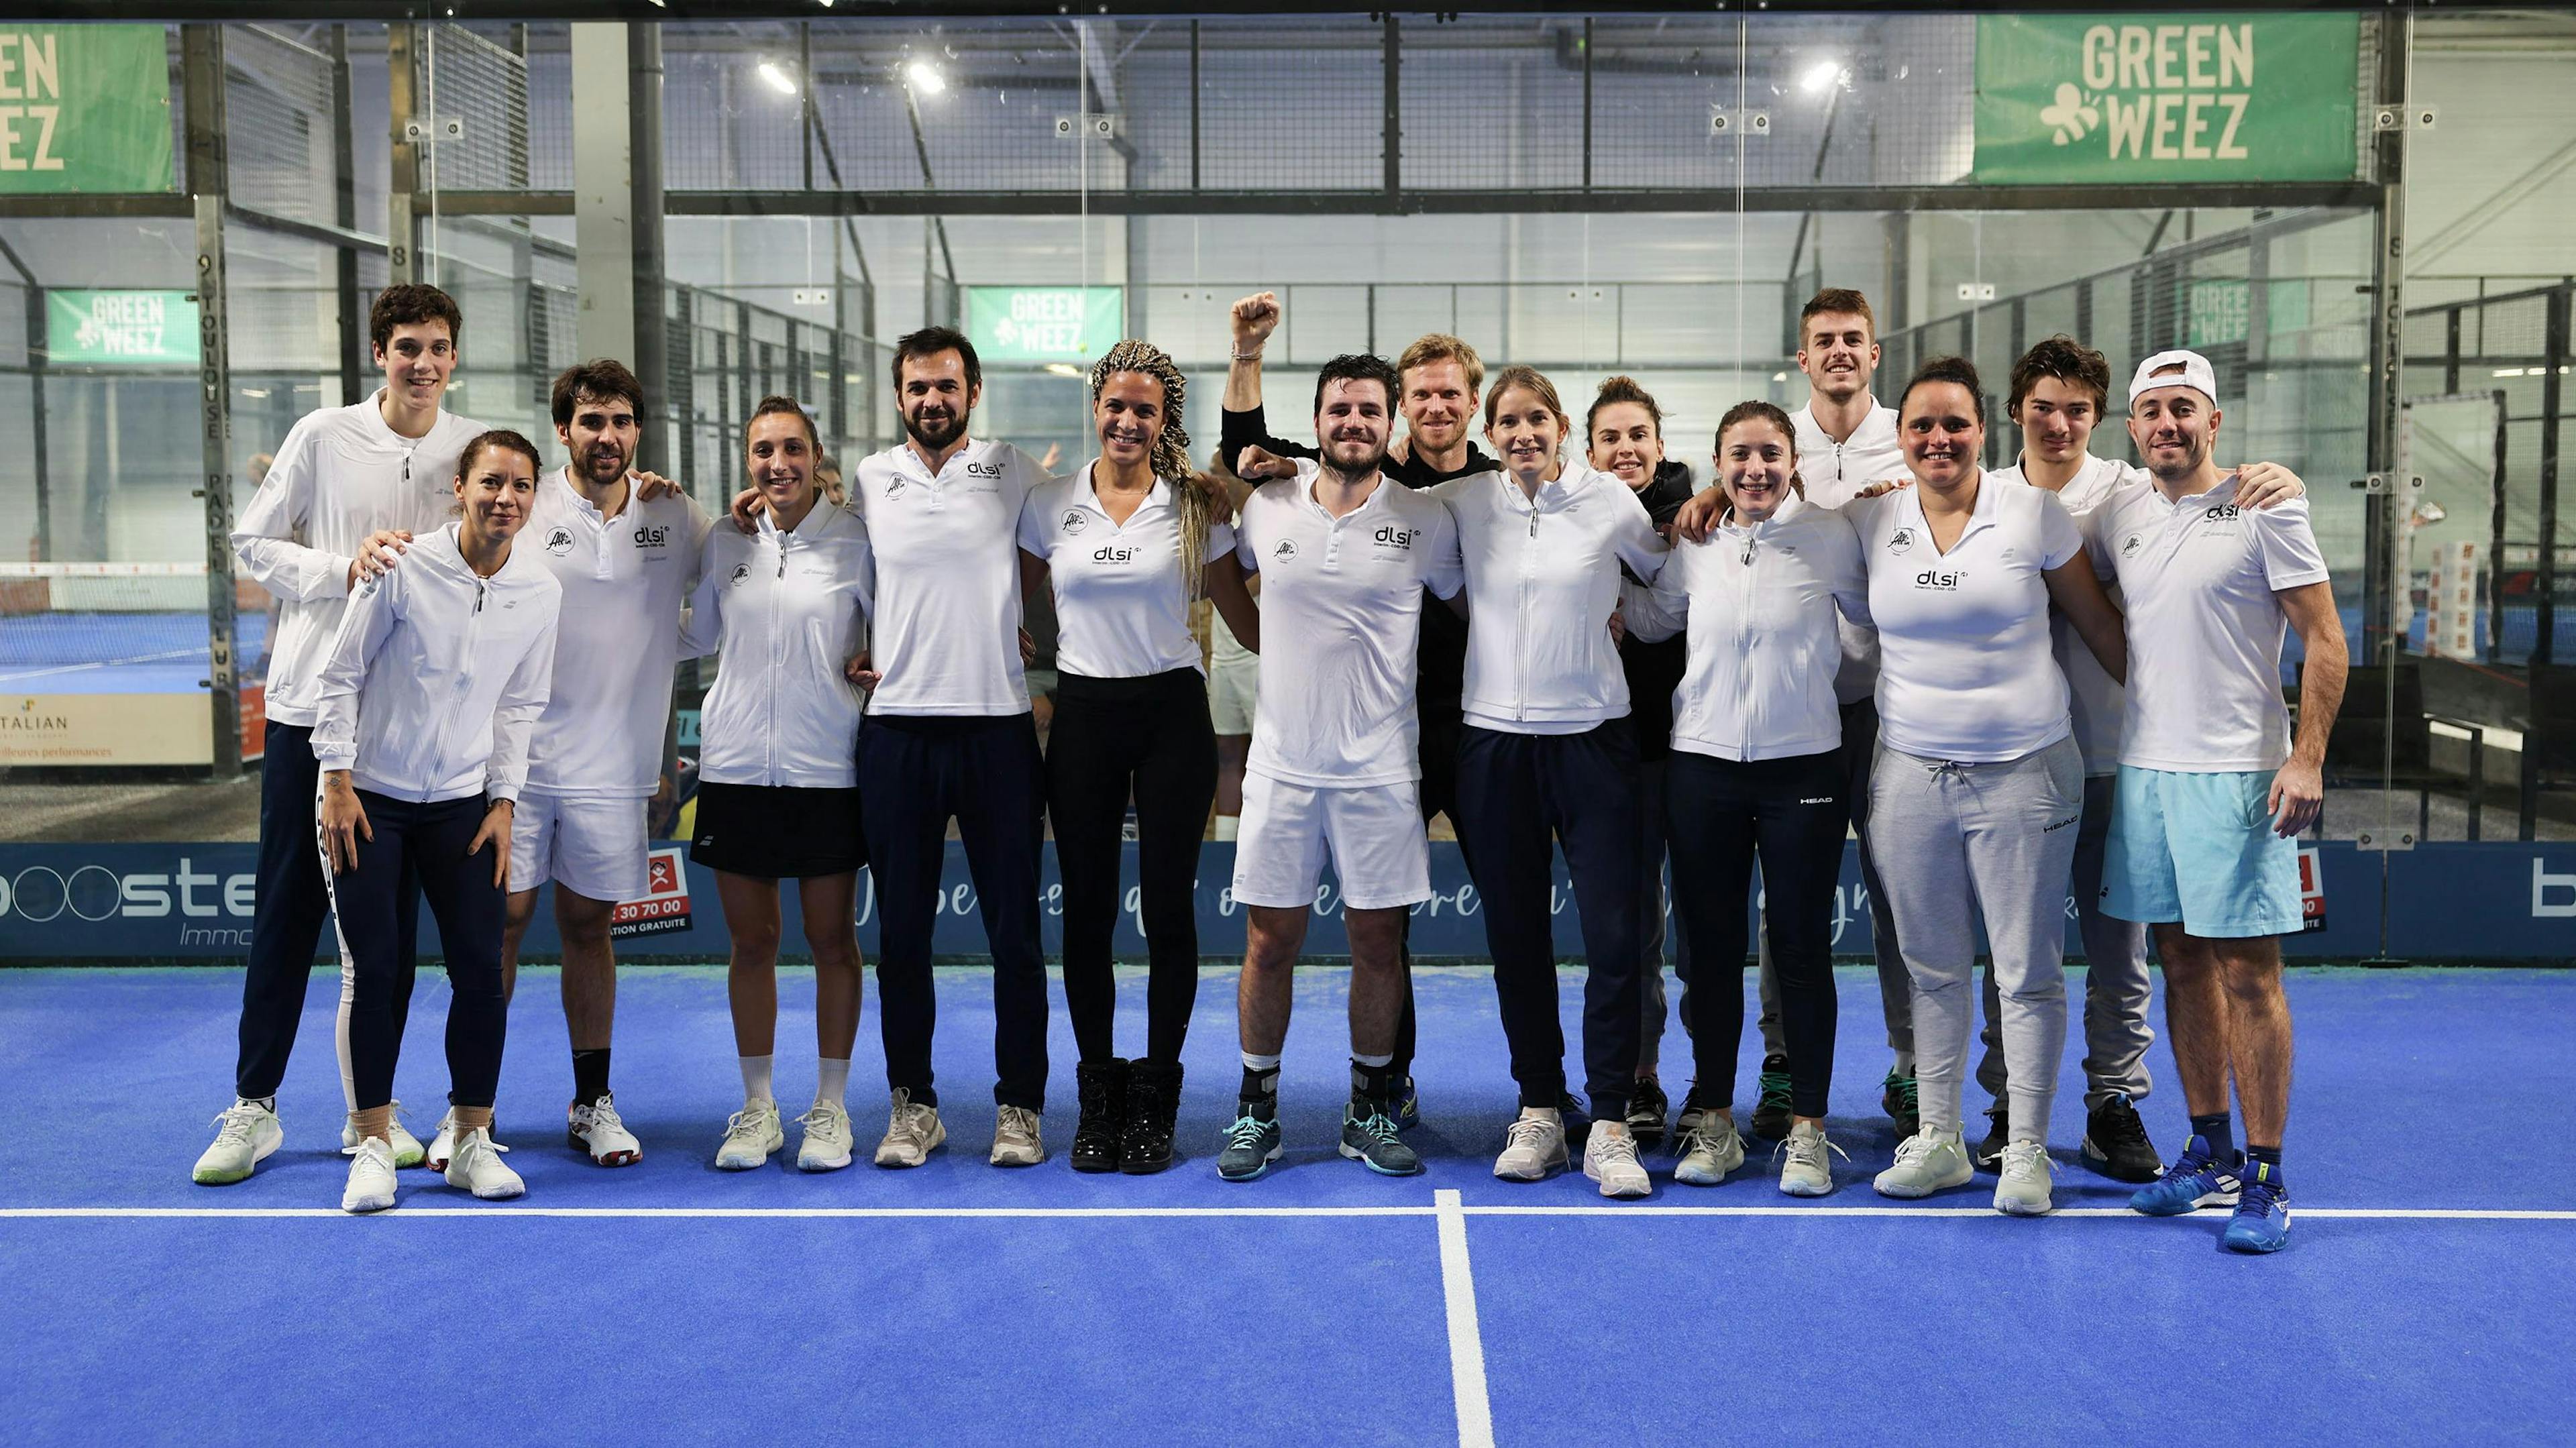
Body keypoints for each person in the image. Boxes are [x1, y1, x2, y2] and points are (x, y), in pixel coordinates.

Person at [1965, 337, 2312, 1182]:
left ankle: (2114, 1102)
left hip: (2130, 757)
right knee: (2016, 952)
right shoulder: (1984, 493)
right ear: (2017, 412)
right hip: (2014, 760)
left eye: (2077, 409)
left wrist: (2282, 479)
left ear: (2099, 419)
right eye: (2043, 406)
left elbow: (2209, 503)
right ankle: (2012, 1101)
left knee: (2128, 957)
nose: (2058, 422)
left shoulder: (2125, 490)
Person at [198, 284, 483, 1186]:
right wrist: (340, 567)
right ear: (379, 354)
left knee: (387, 934)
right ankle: (256, 1105)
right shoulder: (324, 434)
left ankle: (378, 1116)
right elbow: (251, 538)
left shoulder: (467, 446)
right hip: (307, 715)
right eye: (408, 346)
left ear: (454, 355)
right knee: (286, 911)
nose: (424, 363)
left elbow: (521, 523)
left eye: (438, 346)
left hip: (406, 726)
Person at [1852, 355, 2127, 1217]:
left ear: (1984, 430)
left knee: (2027, 972)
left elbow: (2106, 635)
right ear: (1900, 437)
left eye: (1955, 424)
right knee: (1930, 966)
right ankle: (1939, 1139)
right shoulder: (1869, 519)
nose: (1939, 439)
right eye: (1922, 426)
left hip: (2026, 775)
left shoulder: (2035, 513)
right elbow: (1771, 514)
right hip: (1906, 777)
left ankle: (2026, 1151)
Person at [1222, 292, 1497, 1129]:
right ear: (1318, 421)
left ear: (1391, 425)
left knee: (1379, 944)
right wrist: (1275, 647)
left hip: (1386, 763)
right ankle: (1256, 1105)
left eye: (1367, 410)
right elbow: (1221, 573)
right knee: (1270, 943)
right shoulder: (1268, 503)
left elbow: (1479, 610)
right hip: (1282, 766)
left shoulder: (1426, 519)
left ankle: (1373, 1103)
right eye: (1340, 408)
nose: (1353, 420)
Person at [2107, 349, 2347, 1254]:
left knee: (2250, 973)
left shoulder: (2268, 504)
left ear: (2214, 423)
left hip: (2241, 776)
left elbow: (2325, 640)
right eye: (2153, 411)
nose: (2168, 423)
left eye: (2185, 408)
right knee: (2179, 965)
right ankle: (2207, 1146)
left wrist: (2306, 757)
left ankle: (2267, 1169)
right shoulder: (2123, 509)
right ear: (2133, 429)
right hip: (2147, 775)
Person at [1676, 287, 1917, 1140]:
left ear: (1875, 351)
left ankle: (1913, 1067)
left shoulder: (1914, 441)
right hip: (1773, 727)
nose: (1841, 351)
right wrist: (1710, 498)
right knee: (1763, 929)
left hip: (1889, 717)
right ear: (1804, 355)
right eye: (1825, 340)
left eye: (1855, 337)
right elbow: (1737, 493)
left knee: (1898, 901)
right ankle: (1775, 1072)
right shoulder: (1771, 452)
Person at [1018, 341, 1262, 1174]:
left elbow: (1251, 620)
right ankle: (1098, 1098)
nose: (1127, 421)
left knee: (1168, 913)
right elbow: (991, 600)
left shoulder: (1198, 507)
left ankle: (1155, 1098)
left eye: (1144, 410)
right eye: (1115, 406)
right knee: (1085, 915)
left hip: (1172, 717)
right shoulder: (1048, 504)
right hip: (1084, 715)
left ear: (1165, 423)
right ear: (1096, 407)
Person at [1625, 400, 1870, 1196]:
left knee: (1800, 950)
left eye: (1769, 452)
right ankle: (1718, 1120)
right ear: (1719, 462)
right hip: (1701, 771)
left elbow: (1881, 616)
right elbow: (1653, 618)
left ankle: (1807, 1129)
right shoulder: (1696, 542)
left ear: (1792, 459)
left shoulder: (1833, 535)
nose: (1755, 468)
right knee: (1712, 958)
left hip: (1805, 771)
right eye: (1739, 454)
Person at [313, 429, 561, 1211]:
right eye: (491, 482)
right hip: (369, 801)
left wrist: (503, 800)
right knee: (378, 971)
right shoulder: (400, 566)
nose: (506, 499)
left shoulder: (541, 591)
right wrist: (337, 779)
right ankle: (374, 1144)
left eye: (521, 486)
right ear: (460, 486)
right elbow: (341, 673)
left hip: (463, 806)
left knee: (480, 971)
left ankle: (471, 1138)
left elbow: (521, 705)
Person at [1436, 366, 1666, 1199]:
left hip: (1596, 745)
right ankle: (1539, 1107)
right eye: (1508, 421)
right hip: (1493, 749)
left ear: (1562, 426)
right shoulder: (1462, 503)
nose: (1524, 432)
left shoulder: (1610, 500)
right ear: (1490, 432)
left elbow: (1668, 582)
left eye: (1538, 418)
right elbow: (1439, 580)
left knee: (1612, 940)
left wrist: (1627, 619)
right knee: (1516, 942)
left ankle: (1608, 1121)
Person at [490, 359, 708, 1171]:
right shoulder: (524, 504)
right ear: (563, 431)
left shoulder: (675, 513)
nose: (607, 437)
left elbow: (734, 564)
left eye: (621, 422)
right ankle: (469, 1109)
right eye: (591, 422)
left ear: (637, 430)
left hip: (613, 770)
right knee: (502, 926)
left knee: (589, 926)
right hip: (513, 765)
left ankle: (592, 1103)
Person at [853, 327, 1055, 1169]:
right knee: (901, 935)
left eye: (947, 385)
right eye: (917, 387)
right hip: (896, 728)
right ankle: (915, 1105)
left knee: (1015, 935)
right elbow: (838, 560)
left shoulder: (1015, 471)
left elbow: (1058, 546)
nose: (932, 400)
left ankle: (1021, 1107)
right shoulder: (870, 477)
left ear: (973, 392)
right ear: (900, 397)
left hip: (998, 727)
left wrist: (1018, 612)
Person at [682, 396, 876, 1174]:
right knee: (752, 941)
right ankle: (758, 1106)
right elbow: (694, 633)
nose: (777, 464)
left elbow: (894, 633)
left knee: (833, 940)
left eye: (792, 448)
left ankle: (830, 1108)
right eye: (763, 450)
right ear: (748, 458)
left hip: (828, 766)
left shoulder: (859, 541)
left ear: (817, 454)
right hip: (734, 768)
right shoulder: (725, 538)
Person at [1586, 376, 1697, 1147]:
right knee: (1633, 935)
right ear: (1586, 451)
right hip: (1612, 755)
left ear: (1659, 445)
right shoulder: (1569, 517)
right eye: (1610, 439)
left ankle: (1715, 1090)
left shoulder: (1701, 519)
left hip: (1694, 753)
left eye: (1637, 437)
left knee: (1700, 932)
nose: (1625, 450)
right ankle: (1641, 1076)